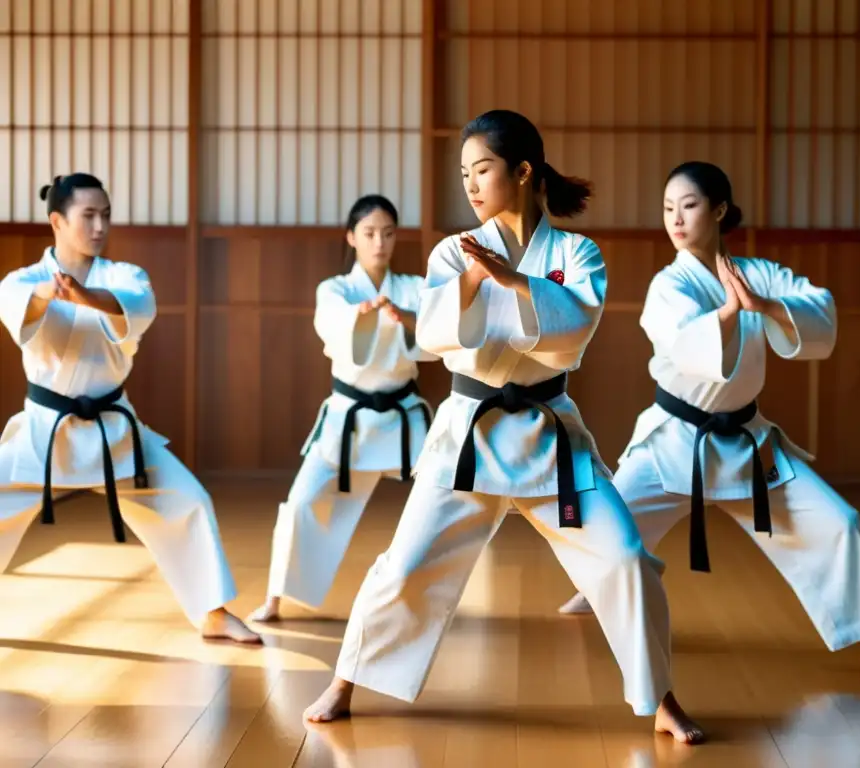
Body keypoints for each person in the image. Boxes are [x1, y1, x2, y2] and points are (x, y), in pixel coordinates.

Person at [303, 110, 705, 744]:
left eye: (481, 169)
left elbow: (572, 331)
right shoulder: (451, 250)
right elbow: (432, 336)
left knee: (626, 558)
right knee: (405, 566)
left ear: (523, 172)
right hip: (468, 435)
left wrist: (515, 280)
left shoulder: (576, 252)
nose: (469, 183)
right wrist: (472, 275)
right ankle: (346, 679)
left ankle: (659, 697)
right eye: (464, 172)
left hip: (552, 438)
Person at [556, 161, 860, 684]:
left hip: (748, 445)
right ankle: (593, 593)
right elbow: (682, 343)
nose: (676, 220)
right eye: (667, 209)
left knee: (838, 522)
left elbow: (817, 310)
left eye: (688, 205)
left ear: (720, 210)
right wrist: (731, 313)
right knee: (610, 533)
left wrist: (765, 305)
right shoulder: (670, 284)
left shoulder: (760, 274)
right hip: (675, 440)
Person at [0, 173, 259, 644]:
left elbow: (136, 307)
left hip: (116, 436)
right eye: (88, 216)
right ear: (57, 221)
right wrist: (46, 295)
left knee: (189, 501)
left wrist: (82, 296)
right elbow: (20, 311)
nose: (100, 226)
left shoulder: (124, 276)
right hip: (45, 434)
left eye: (106, 215)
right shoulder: (24, 281)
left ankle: (213, 613)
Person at [248, 195, 435, 623]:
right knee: (300, 503)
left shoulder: (413, 288)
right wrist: (365, 315)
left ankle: (430, 595)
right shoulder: (334, 290)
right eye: (369, 233)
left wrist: (403, 315)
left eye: (388, 233)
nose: (379, 242)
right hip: (348, 419)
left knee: (445, 498)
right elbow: (334, 330)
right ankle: (275, 598)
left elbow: (436, 336)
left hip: (404, 418)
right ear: (351, 237)